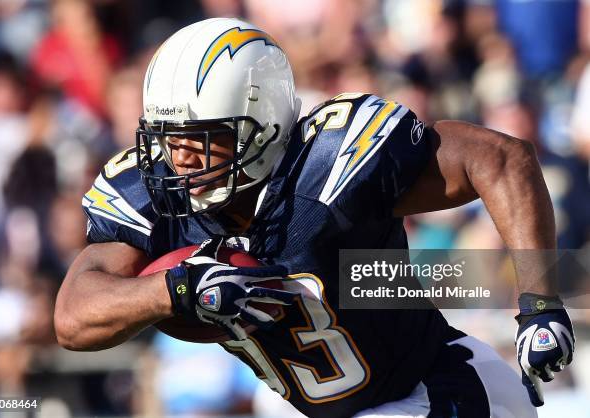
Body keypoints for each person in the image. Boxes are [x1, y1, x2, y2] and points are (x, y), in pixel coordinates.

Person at [54, 18, 575, 418]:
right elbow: (73, 318)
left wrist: (540, 303)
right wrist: (179, 289)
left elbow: (502, 158)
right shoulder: (156, 202)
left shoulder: (329, 165)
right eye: (168, 140)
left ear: (262, 126)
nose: (180, 159)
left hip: (434, 388)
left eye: (202, 138)